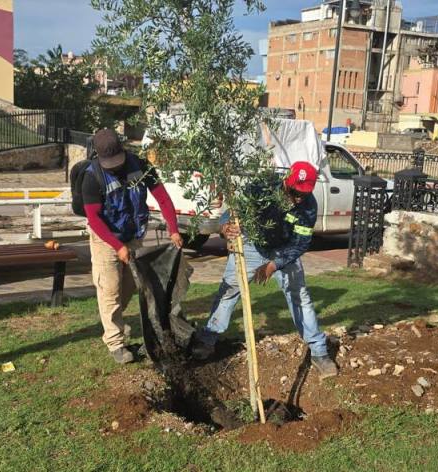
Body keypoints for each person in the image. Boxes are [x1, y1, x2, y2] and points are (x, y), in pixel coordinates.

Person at [191, 161, 338, 379]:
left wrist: (273, 265)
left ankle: (319, 352)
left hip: (284, 251)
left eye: (304, 193)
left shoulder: (308, 206)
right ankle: (208, 338)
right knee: (229, 289)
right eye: (295, 192)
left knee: (300, 296)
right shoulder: (262, 187)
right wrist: (225, 227)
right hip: (251, 245)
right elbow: (233, 212)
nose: (299, 198)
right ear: (286, 182)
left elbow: (300, 243)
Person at [82, 128, 182, 364]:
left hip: (133, 235)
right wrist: (117, 246)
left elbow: (162, 197)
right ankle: (115, 342)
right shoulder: (91, 177)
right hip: (105, 238)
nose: (114, 167)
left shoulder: (140, 165)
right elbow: (94, 218)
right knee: (110, 289)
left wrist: (173, 228)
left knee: (128, 287)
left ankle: (113, 320)